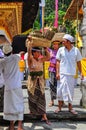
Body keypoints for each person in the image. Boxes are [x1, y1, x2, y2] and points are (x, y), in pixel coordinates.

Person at [55, 34, 83, 115]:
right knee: (60, 90)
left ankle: (70, 108)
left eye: (64, 41)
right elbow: (58, 62)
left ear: (68, 42)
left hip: (71, 74)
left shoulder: (76, 50)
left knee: (70, 91)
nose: (62, 42)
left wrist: (81, 73)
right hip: (62, 73)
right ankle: (59, 107)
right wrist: (57, 72)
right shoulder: (61, 50)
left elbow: (78, 62)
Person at [0, 44, 24, 130]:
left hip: (8, 86)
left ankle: (11, 125)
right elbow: (22, 53)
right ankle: (20, 125)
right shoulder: (15, 57)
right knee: (19, 103)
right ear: (11, 51)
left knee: (9, 105)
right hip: (17, 85)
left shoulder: (2, 62)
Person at [27, 38, 50, 124]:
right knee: (32, 97)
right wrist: (29, 45)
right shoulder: (30, 59)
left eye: (39, 52)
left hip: (40, 82)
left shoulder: (41, 59)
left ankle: (44, 116)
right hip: (32, 82)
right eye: (37, 52)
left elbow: (48, 57)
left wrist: (45, 48)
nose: (39, 53)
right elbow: (29, 53)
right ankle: (32, 111)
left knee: (42, 97)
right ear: (34, 53)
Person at [48, 40, 60, 107]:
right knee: (51, 85)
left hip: (59, 70)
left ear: (58, 45)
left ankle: (61, 101)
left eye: (56, 44)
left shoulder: (61, 51)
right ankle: (52, 101)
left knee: (60, 85)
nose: (55, 45)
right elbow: (45, 47)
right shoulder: (50, 51)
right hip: (52, 70)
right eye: (54, 44)